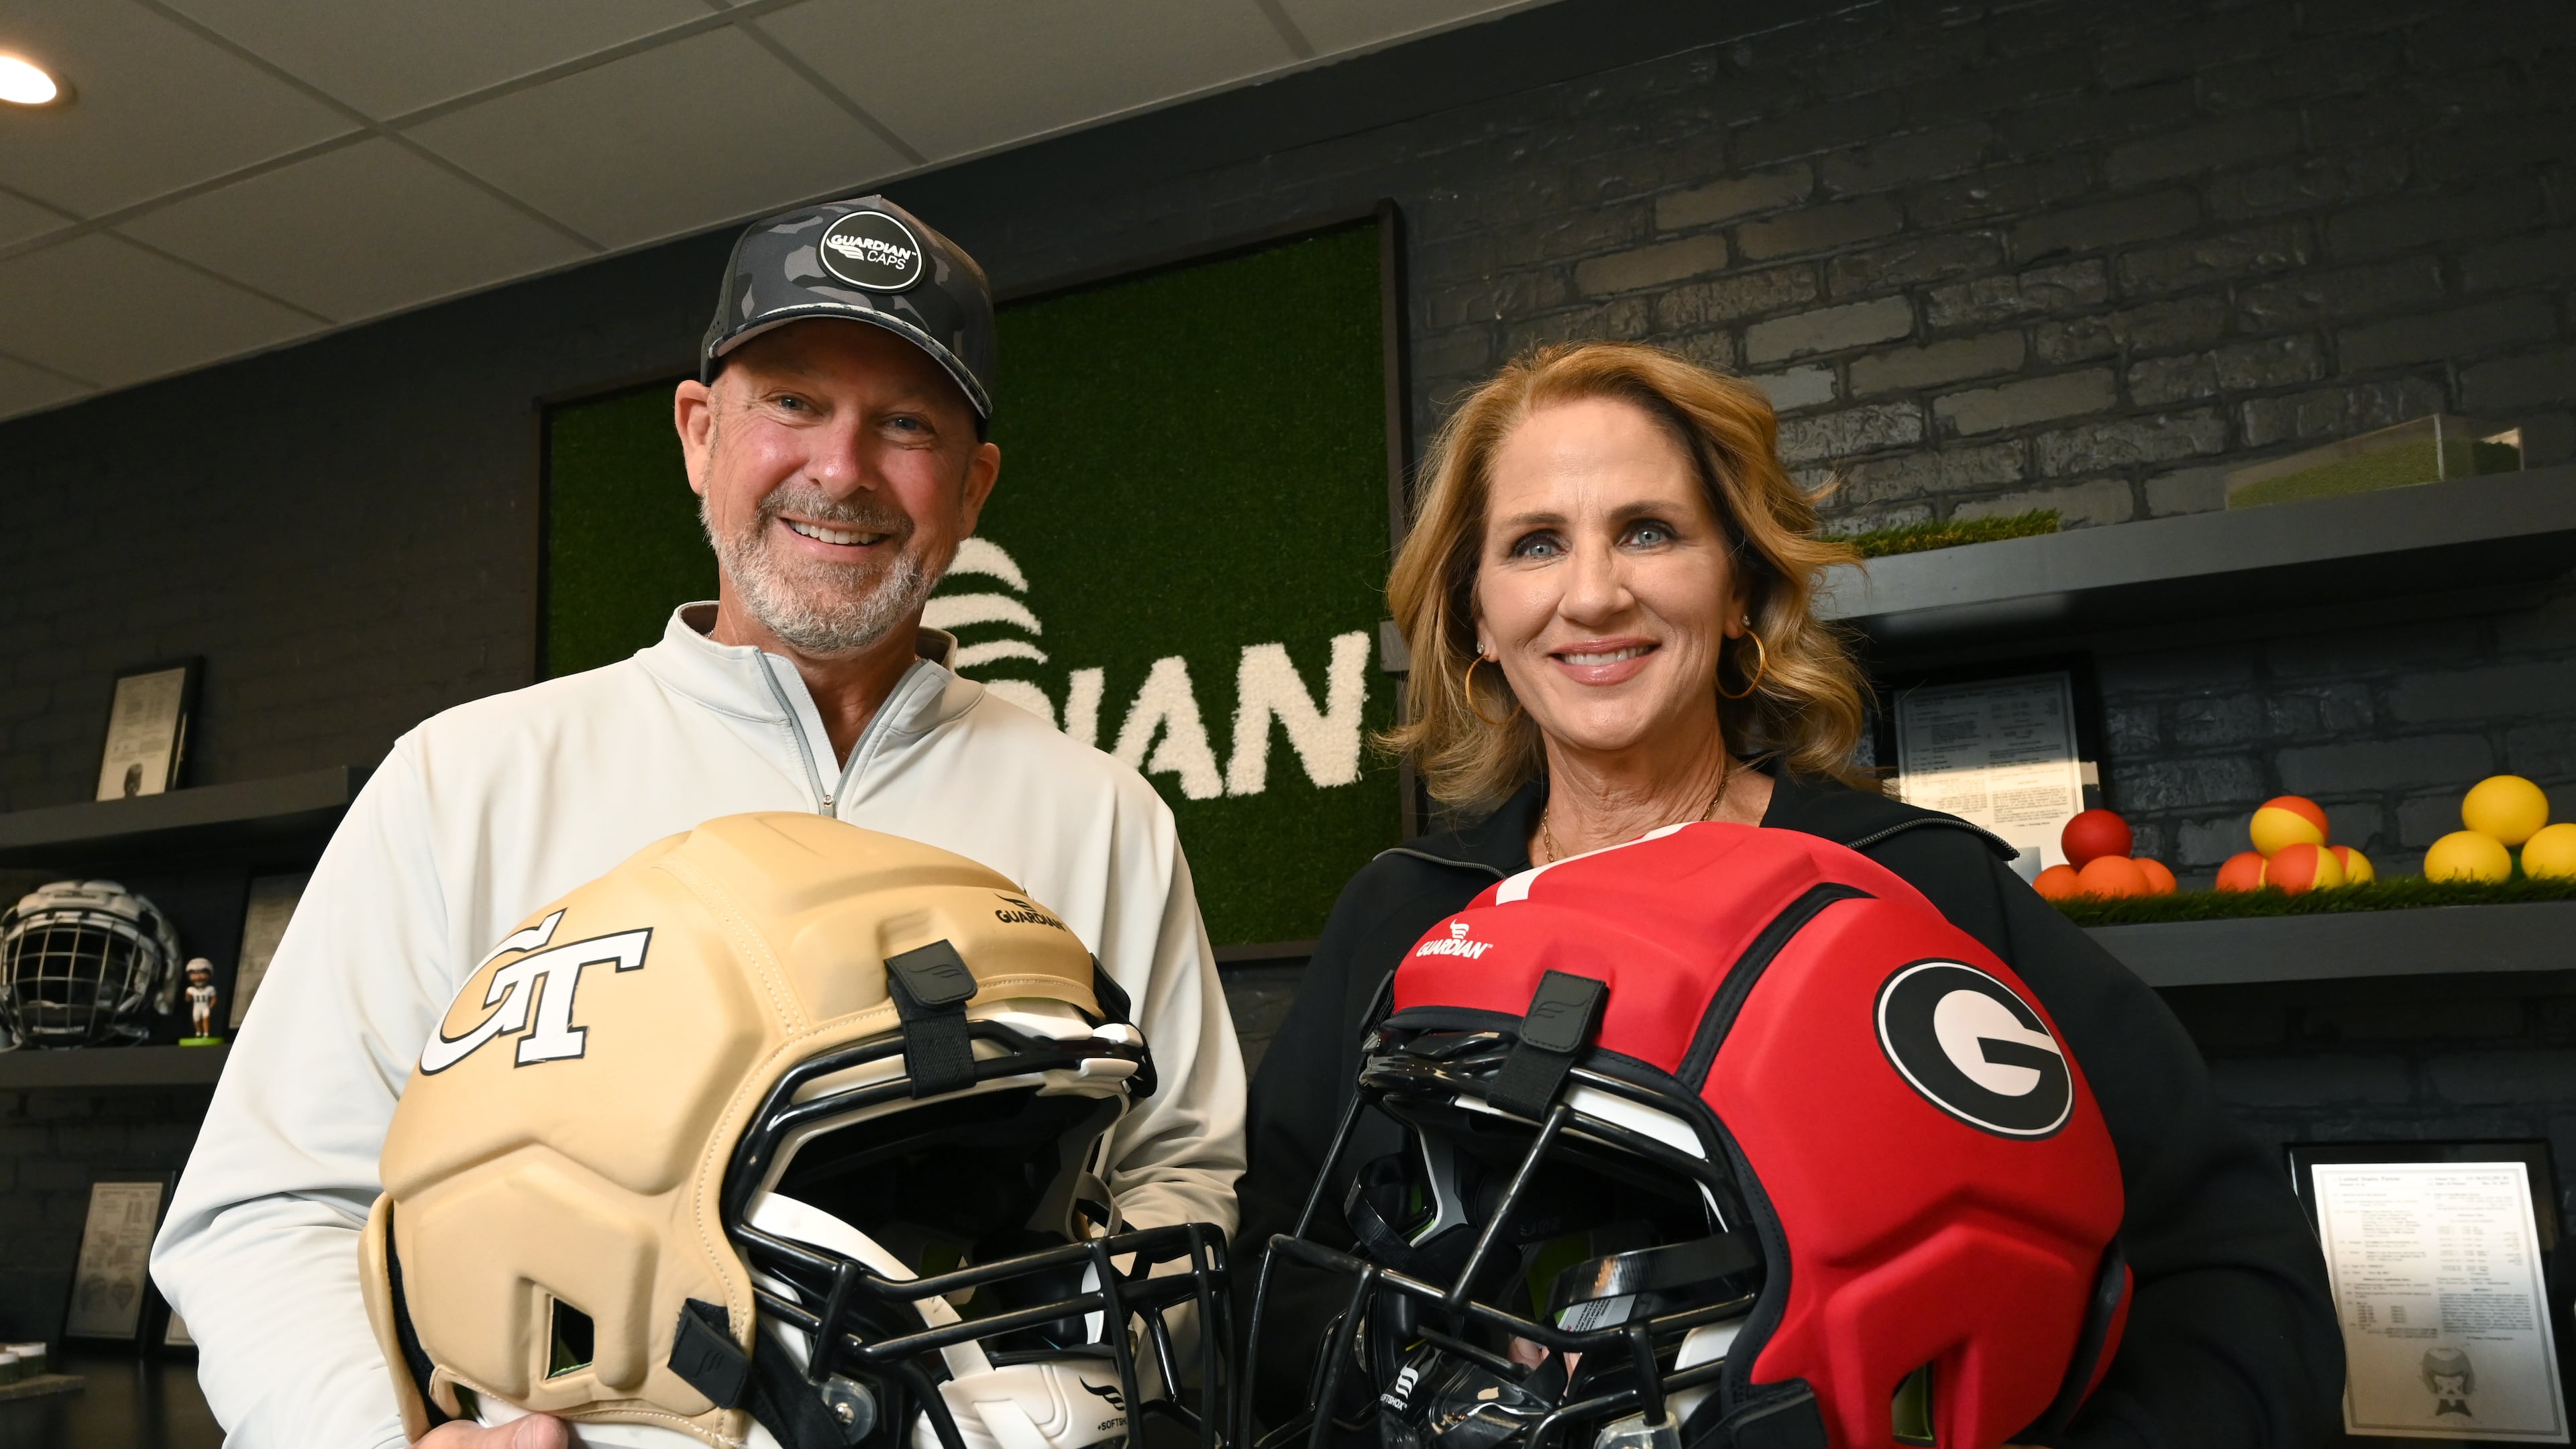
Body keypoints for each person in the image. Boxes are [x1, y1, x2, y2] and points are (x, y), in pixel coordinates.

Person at [151, 196, 1246, 1449]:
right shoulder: (469, 780)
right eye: (791, 401)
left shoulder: (1102, 814)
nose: (841, 470)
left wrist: (1067, 1388)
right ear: (697, 432)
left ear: (973, 485)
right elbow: (270, 1206)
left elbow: (1178, 1171)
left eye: (905, 424)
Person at [1238, 341, 2341, 1447]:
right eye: (1535, 545)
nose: (1593, 594)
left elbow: (2233, 1274)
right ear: (1477, 616)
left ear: (1739, 592)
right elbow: (1273, 1276)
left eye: (1649, 532)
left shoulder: (1916, 886)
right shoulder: (1403, 915)